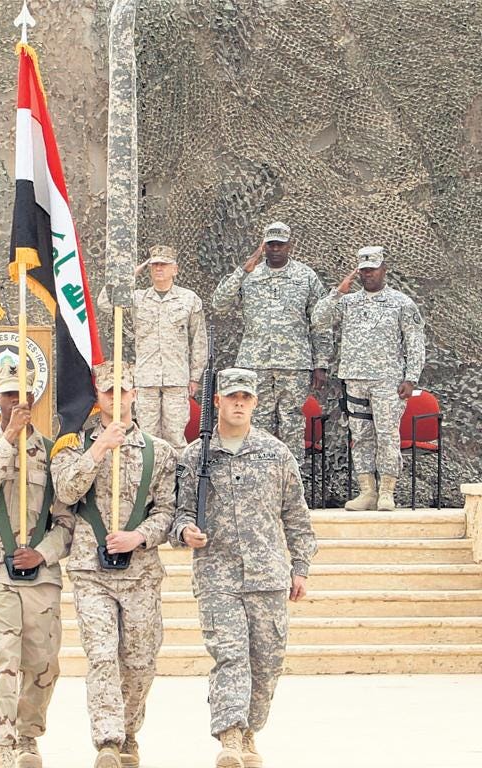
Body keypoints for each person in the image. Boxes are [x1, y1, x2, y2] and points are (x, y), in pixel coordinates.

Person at [171, 368, 318, 768]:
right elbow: (177, 512)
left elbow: (296, 516)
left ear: (254, 402)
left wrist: (300, 567)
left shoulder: (275, 453)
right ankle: (231, 737)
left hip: (268, 574)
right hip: (217, 575)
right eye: (231, 396)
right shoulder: (195, 455)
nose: (239, 403)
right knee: (230, 655)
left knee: (267, 662)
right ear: (216, 401)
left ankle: (251, 730)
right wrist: (185, 531)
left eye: (246, 397)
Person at [50, 362, 178, 768]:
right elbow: (66, 490)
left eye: (123, 391)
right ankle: (107, 739)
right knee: (103, 654)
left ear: (134, 394)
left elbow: (167, 511)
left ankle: (129, 731)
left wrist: (139, 536)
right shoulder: (72, 446)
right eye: (109, 392)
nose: (116, 398)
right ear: (98, 397)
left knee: (140, 660)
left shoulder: (159, 451)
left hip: (140, 572)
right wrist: (99, 447)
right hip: (92, 571)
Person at [0, 363, 74, 768]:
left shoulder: (53, 452)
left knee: (43, 661)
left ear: (34, 399)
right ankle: (4, 740)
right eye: (9, 395)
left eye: (22, 395)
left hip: (41, 573)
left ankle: (29, 734)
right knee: (4, 657)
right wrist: (9, 438)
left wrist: (43, 552)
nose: (16, 402)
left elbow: (67, 521)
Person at [312, 247, 426, 511]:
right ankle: (367, 491)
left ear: (383, 269)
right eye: (363, 270)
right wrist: (339, 290)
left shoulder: (401, 303)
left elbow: (415, 342)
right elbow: (319, 319)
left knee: (387, 435)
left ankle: (387, 491)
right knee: (361, 436)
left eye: (372, 269)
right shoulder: (348, 302)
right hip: (355, 379)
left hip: (388, 380)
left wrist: (411, 378)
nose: (368, 275)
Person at [211, 222, 329, 460]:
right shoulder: (249, 273)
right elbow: (218, 303)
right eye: (271, 244)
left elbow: (321, 321)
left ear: (289, 245)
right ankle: (260, 473)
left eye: (280, 244)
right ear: (263, 246)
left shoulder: (305, 276)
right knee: (257, 421)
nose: (275, 249)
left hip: (294, 364)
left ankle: (292, 482)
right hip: (255, 363)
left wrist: (321, 362)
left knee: (292, 422)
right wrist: (243, 270)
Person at [98, 245, 207, 450]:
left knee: (175, 438)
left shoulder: (189, 299)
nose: (159, 269)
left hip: (176, 378)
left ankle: (176, 482)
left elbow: (199, 339)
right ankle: (150, 481)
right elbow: (104, 302)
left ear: (175, 269)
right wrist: (130, 275)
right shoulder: (137, 298)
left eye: (164, 265)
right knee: (147, 439)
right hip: (146, 379)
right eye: (154, 265)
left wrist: (194, 377)